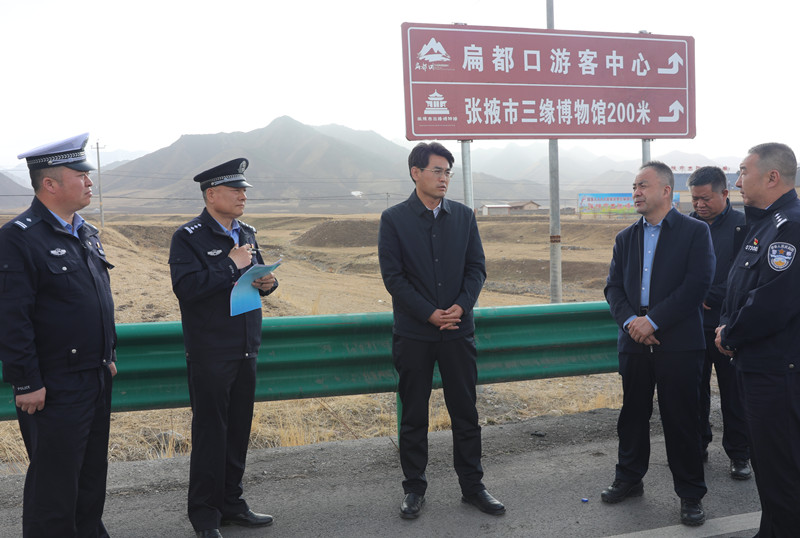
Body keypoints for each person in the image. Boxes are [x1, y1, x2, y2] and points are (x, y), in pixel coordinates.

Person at [378, 141, 504, 520]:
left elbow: (476, 268)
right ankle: (414, 488)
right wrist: (429, 314)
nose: (444, 177)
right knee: (414, 415)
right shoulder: (394, 219)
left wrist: (461, 306)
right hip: (414, 335)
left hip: (458, 332)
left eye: (448, 172)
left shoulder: (464, 217)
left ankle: (473, 486)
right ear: (416, 173)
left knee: (465, 411)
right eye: (437, 170)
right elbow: (394, 278)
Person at [0, 133, 117, 537]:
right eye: (80, 175)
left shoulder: (85, 232)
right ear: (49, 184)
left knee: (91, 476)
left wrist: (107, 354)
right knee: (54, 486)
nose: (89, 181)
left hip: (94, 374)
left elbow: (95, 299)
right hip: (53, 384)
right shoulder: (19, 238)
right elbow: (11, 317)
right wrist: (26, 381)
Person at [169, 158, 278, 538]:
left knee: (237, 431)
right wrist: (230, 265)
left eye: (244, 190)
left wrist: (268, 283)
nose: (243, 196)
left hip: (246, 346)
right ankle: (204, 515)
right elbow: (186, 288)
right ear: (212, 194)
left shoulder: (246, 231)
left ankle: (232, 503)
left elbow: (256, 274)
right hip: (211, 350)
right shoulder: (188, 236)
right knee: (210, 434)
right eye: (235, 191)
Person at [603, 161, 714, 526]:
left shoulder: (694, 232)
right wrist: (632, 323)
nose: (636, 192)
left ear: (666, 191)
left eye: (643, 186)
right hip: (633, 340)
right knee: (632, 415)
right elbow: (613, 288)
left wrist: (653, 321)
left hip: (678, 342)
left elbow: (697, 284)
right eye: (634, 186)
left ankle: (691, 493)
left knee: (681, 419)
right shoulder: (625, 238)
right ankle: (629, 478)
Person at [716, 142, 800, 537]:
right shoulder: (764, 225)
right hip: (759, 366)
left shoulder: (790, 228)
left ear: (772, 177)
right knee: (769, 467)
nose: (737, 181)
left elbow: (772, 303)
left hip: (778, 371)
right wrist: (727, 326)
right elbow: (740, 288)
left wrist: (730, 334)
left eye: (744, 172)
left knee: (781, 469)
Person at [687, 166, 751, 480]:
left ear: (725, 194)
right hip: (692, 326)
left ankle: (739, 454)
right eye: (695, 199)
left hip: (729, 325)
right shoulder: (687, 227)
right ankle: (697, 446)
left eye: (706, 198)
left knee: (734, 394)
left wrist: (708, 293)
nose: (699, 205)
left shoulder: (744, 226)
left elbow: (749, 275)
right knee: (694, 392)